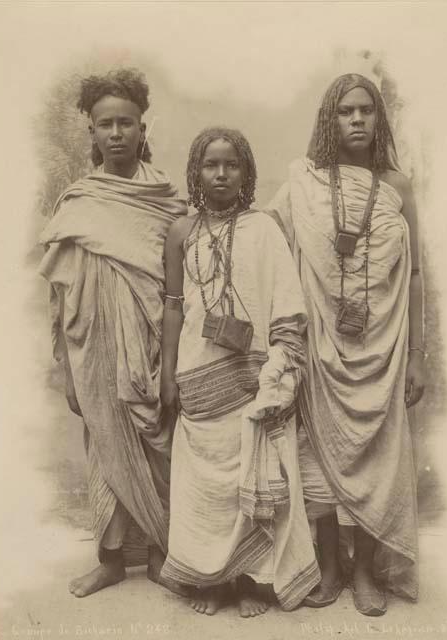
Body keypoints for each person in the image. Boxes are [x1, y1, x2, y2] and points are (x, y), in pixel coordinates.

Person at [265, 73, 425, 616]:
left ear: (379, 119)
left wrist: (417, 356)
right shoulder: (304, 182)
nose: (357, 120)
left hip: (382, 347)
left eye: (366, 111)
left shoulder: (398, 186)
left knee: (379, 459)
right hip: (319, 346)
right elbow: (265, 237)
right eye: (344, 111)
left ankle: (365, 572)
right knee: (318, 457)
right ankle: (330, 565)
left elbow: (417, 274)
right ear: (328, 120)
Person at [159, 127, 321, 617]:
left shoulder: (264, 228)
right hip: (199, 375)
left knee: (253, 476)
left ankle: (251, 581)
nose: (222, 173)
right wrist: (167, 374)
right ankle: (211, 580)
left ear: (246, 172)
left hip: (254, 380)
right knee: (206, 484)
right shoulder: (181, 232)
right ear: (196, 171)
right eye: (211, 164)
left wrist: (277, 367)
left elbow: (287, 304)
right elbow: (171, 307)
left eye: (232, 165)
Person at [39, 68, 187, 597]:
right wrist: (67, 369)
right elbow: (59, 292)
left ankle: (156, 553)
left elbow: (179, 283)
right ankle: (107, 559)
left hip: (150, 342)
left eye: (127, 123)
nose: (117, 133)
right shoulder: (79, 202)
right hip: (94, 344)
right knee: (104, 445)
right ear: (93, 134)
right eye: (107, 124)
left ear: (143, 128)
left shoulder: (166, 199)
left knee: (156, 440)